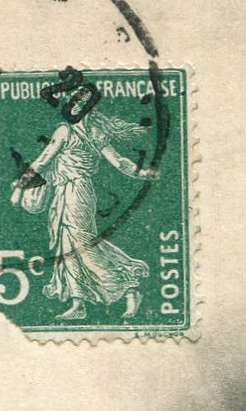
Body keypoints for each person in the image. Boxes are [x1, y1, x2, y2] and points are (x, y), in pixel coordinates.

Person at [11, 110, 158, 321]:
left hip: (79, 191)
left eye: (82, 102)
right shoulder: (64, 130)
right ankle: (78, 303)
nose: (77, 106)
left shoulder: (95, 132)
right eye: (74, 102)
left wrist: (143, 173)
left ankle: (128, 287)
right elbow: (43, 160)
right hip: (62, 192)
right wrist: (20, 186)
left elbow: (119, 161)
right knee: (66, 245)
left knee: (82, 244)